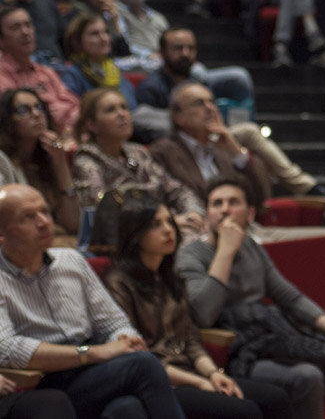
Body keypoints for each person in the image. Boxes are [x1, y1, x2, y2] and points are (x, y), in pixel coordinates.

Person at [178, 177, 325, 419]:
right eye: (216, 204)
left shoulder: (253, 248)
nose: (225, 210)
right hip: (236, 355)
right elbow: (203, 314)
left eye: (233, 203)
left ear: (250, 213)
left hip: (277, 340)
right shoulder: (191, 256)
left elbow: (290, 298)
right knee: (307, 376)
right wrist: (225, 252)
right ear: (207, 214)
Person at [0, 183, 187, 419]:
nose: (43, 222)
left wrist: (124, 339)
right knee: (144, 365)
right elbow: (8, 349)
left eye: (45, 212)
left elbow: (112, 322)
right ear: (2, 233)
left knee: (126, 408)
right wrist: (93, 353)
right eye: (28, 217)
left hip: (92, 373)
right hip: (43, 380)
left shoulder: (71, 261)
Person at [104, 196, 291, 419]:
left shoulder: (171, 277)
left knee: (275, 398)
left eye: (169, 222)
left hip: (190, 371)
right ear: (135, 234)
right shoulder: (119, 283)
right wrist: (200, 382)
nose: (168, 231)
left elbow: (191, 339)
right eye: (156, 225)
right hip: (158, 382)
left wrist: (213, 374)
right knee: (245, 412)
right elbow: (137, 356)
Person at [139, 32, 325, 199]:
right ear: (162, 53)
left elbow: (261, 198)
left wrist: (236, 151)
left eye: (190, 48)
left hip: (210, 142)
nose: (185, 54)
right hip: (184, 143)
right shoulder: (152, 89)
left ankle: (307, 186)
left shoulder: (198, 80)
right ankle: (306, 186)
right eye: (178, 48)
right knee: (250, 132)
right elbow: (144, 122)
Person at [72, 88, 206, 238]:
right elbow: (104, 210)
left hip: (163, 228)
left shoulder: (138, 153)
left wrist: (193, 211)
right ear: (91, 125)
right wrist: (168, 222)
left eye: (124, 107)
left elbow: (176, 189)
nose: (122, 114)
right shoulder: (87, 159)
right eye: (111, 110)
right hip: (127, 238)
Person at [0, 88, 79, 242]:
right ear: (7, 119)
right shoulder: (2, 162)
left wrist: (61, 163)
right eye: (23, 110)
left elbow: (74, 222)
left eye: (39, 107)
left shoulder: (47, 160)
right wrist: (57, 229)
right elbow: (12, 225)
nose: (36, 114)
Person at [0, 6, 79, 132]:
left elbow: (76, 107)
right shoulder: (2, 78)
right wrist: (60, 111)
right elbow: (20, 124)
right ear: (1, 40)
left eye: (28, 25)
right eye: (16, 28)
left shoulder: (46, 72)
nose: (25, 32)